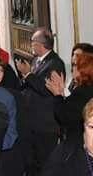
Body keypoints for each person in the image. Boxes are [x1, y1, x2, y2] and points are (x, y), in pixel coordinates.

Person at [14, 28, 66, 175]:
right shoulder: (37, 60)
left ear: (40, 44)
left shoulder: (55, 63)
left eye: (33, 42)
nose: (31, 45)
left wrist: (28, 74)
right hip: (33, 122)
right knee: (32, 163)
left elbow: (46, 90)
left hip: (45, 125)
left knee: (45, 164)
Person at [46, 52, 93, 143]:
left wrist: (57, 95)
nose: (72, 68)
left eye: (75, 65)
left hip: (78, 142)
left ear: (84, 69)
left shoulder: (82, 92)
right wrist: (61, 92)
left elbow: (64, 116)